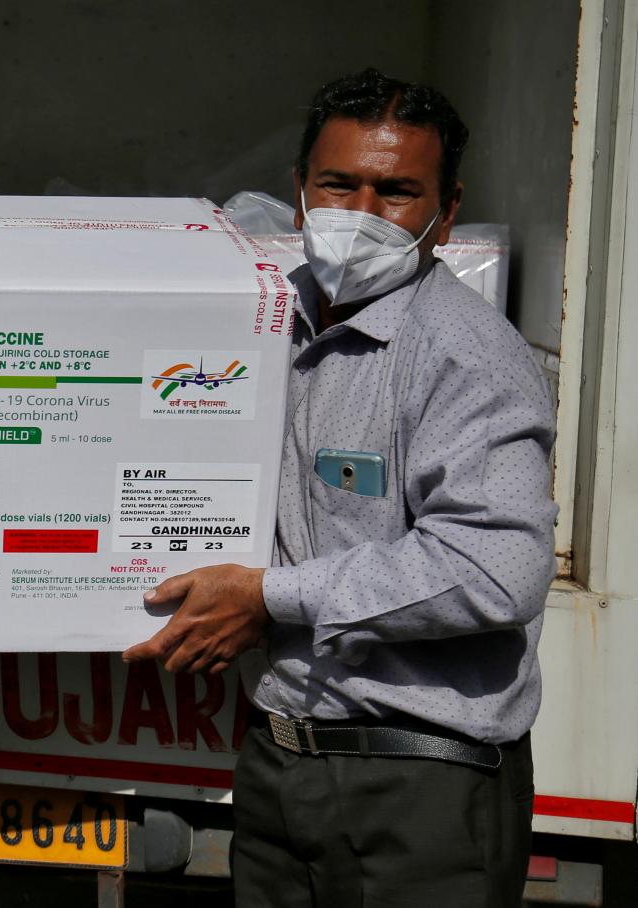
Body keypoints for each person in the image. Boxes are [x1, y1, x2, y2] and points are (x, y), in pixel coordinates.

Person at [125, 68, 556, 907]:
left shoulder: (468, 357)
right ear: (299, 192)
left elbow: (497, 567)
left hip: (419, 791)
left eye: (396, 191)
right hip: (280, 761)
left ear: (446, 209)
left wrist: (271, 596)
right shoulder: (259, 323)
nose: (360, 214)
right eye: (338, 184)